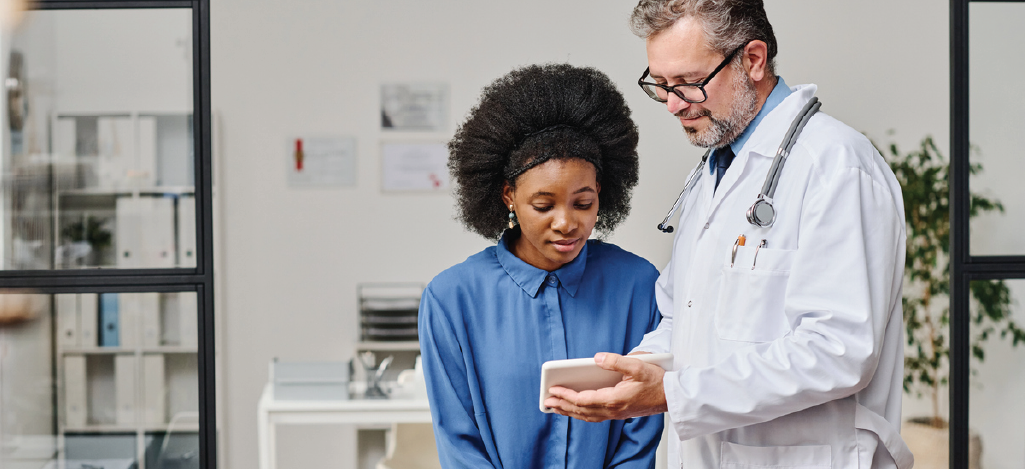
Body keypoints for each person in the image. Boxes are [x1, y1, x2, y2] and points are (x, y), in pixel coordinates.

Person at [544, 2, 914, 469]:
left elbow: (838, 350)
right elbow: (684, 320)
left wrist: (674, 393)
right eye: (662, 86)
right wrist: (629, 372)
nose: (674, 104)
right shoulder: (715, 170)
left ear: (753, 60)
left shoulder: (836, 166)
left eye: (688, 83)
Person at [418, 63, 664, 468]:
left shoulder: (638, 285)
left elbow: (639, 436)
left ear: (601, 191)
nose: (567, 222)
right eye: (543, 205)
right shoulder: (452, 298)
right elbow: (458, 442)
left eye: (583, 203)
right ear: (508, 196)